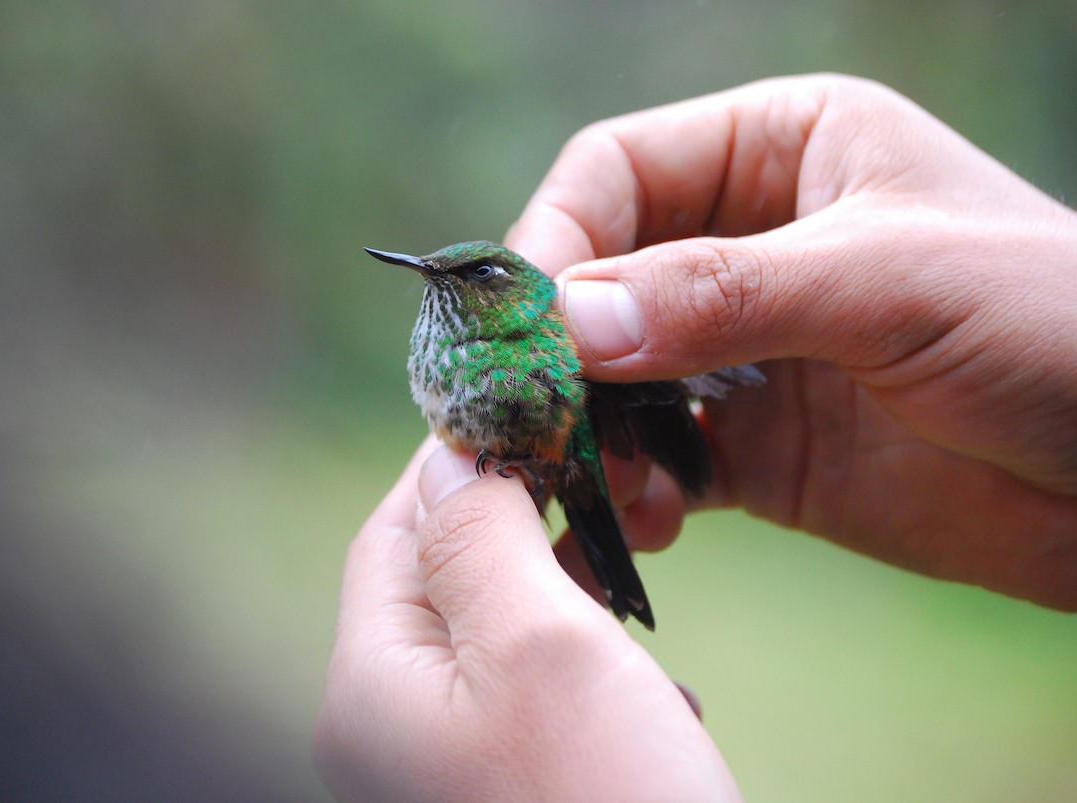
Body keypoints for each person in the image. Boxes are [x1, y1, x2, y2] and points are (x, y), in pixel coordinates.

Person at [313, 73, 1077, 801]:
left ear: (508, 289)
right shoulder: (442, 341)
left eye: (476, 274)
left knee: (593, 513)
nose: (445, 280)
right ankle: (611, 581)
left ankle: (605, 570)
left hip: (559, 449)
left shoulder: (552, 329)